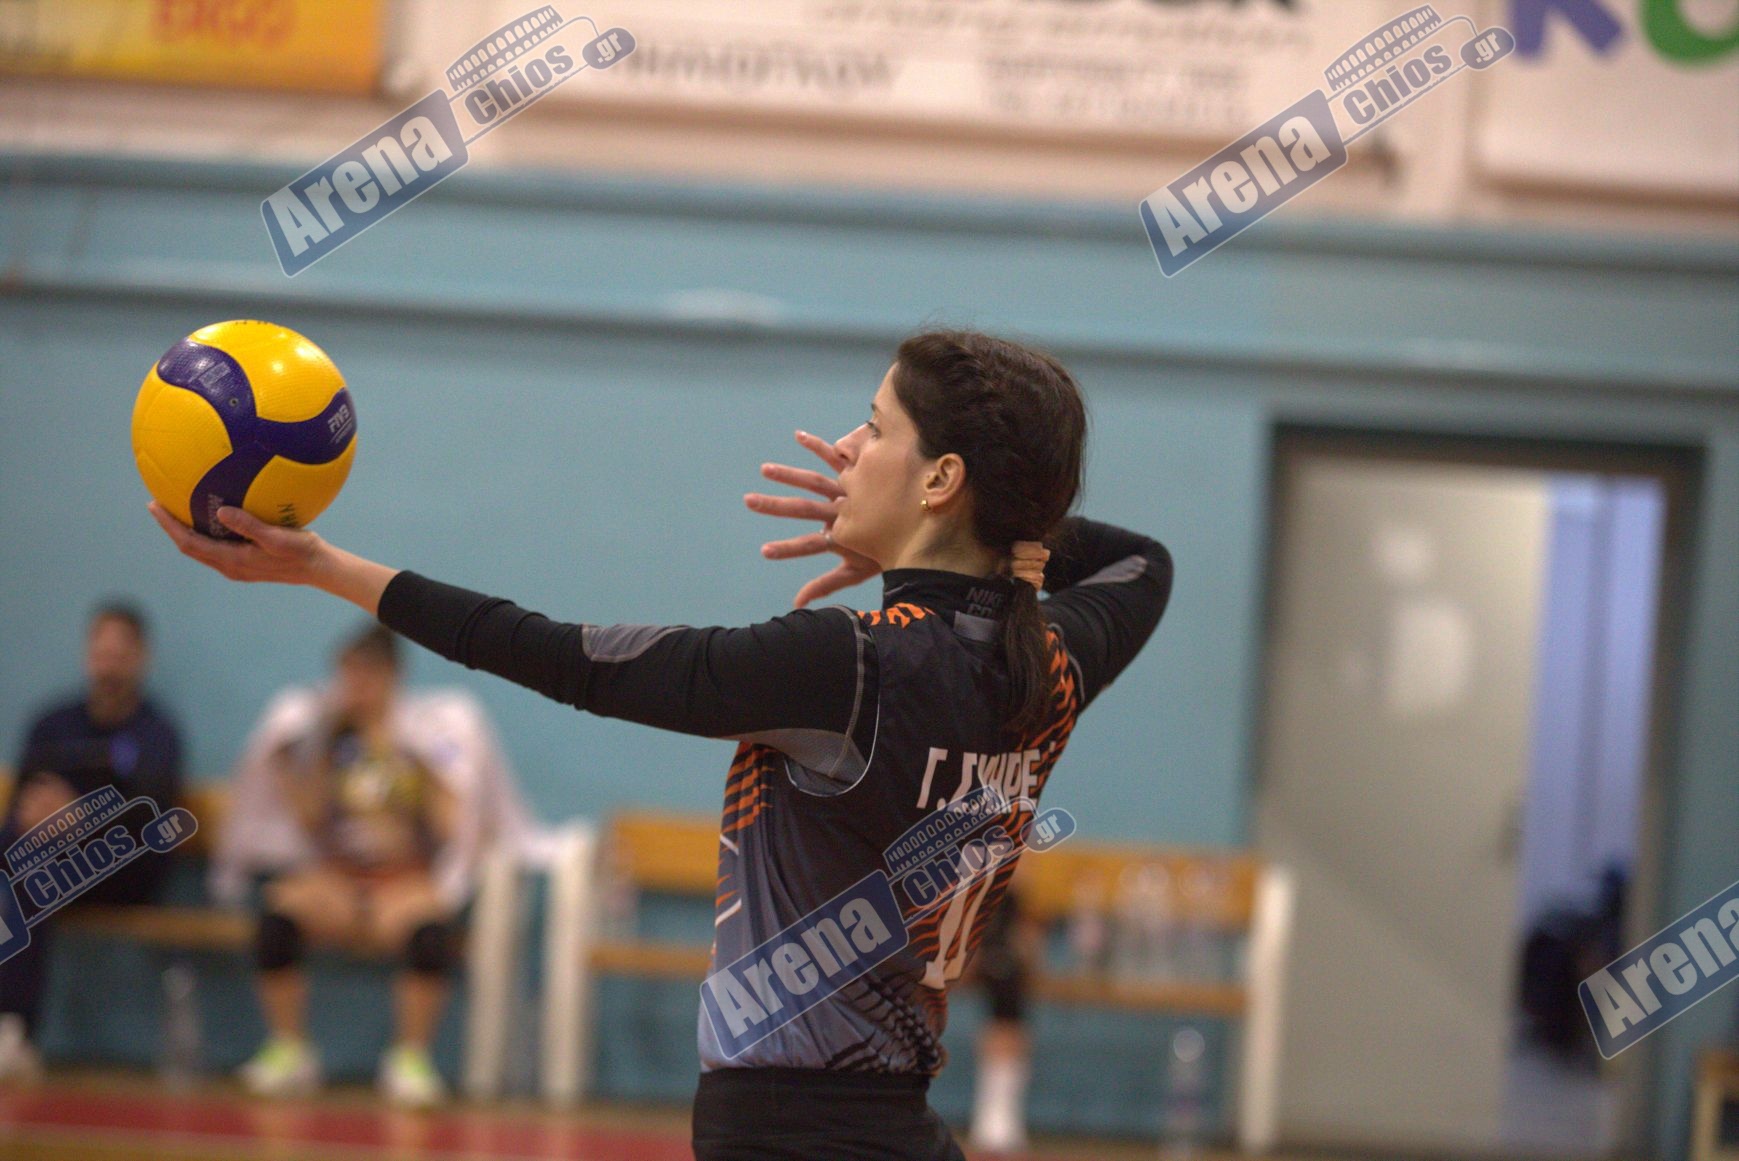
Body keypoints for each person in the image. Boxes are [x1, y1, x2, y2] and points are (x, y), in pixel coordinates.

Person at [147, 329, 1173, 1160]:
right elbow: (1143, 564)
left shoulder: (848, 663)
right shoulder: (1048, 664)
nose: (849, 449)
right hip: (895, 1122)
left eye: (873, 427)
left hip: (783, 1131)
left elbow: (567, 658)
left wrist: (322, 566)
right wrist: (965, 540)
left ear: (941, 476)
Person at [224, 623, 469, 1107]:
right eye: (346, 676)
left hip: (401, 878)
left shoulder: (422, 739)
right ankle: (289, 1047)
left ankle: (411, 1056)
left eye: (365, 676)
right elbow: (310, 818)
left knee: (430, 934)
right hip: (339, 875)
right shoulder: (331, 741)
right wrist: (288, 764)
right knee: (277, 919)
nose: (354, 688)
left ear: (391, 677)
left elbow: (451, 821)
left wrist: (419, 769)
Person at [0, 601, 185, 1082]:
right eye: (101, 654)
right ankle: (11, 1029)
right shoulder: (52, 724)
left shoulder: (157, 733)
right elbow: (24, 802)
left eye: (119, 655)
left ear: (141, 658)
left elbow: (153, 821)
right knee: (21, 863)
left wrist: (80, 818)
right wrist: (43, 816)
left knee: (27, 874)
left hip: (126, 872)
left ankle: (14, 1027)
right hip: (47, 864)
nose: (109, 667)